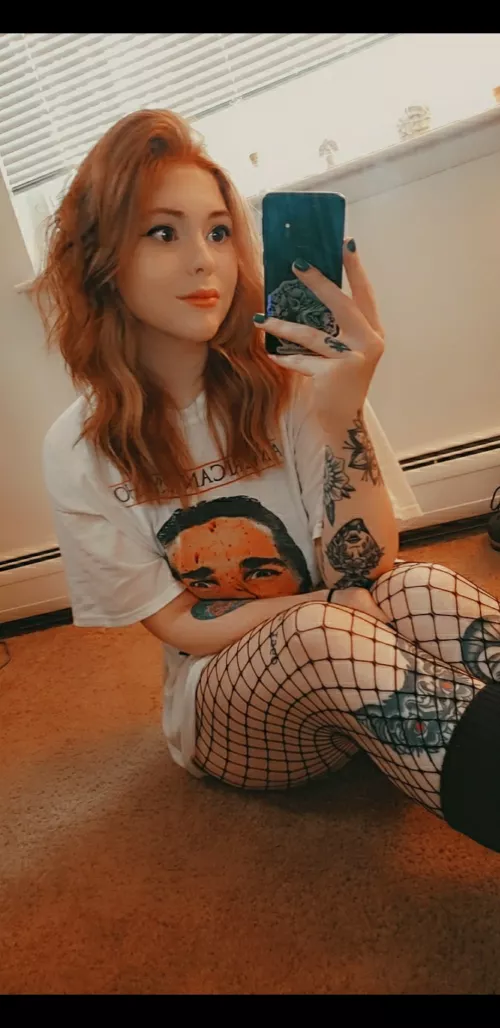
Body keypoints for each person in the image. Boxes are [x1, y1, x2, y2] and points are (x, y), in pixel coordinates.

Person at [35, 109, 500, 854]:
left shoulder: (296, 379)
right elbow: (181, 624)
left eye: (219, 232)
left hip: (359, 657)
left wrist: (342, 413)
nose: (205, 261)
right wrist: (327, 603)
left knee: (420, 585)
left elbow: (368, 567)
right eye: (164, 232)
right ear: (100, 260)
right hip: (234, 707)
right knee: (319, 629)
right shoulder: (80, 448)